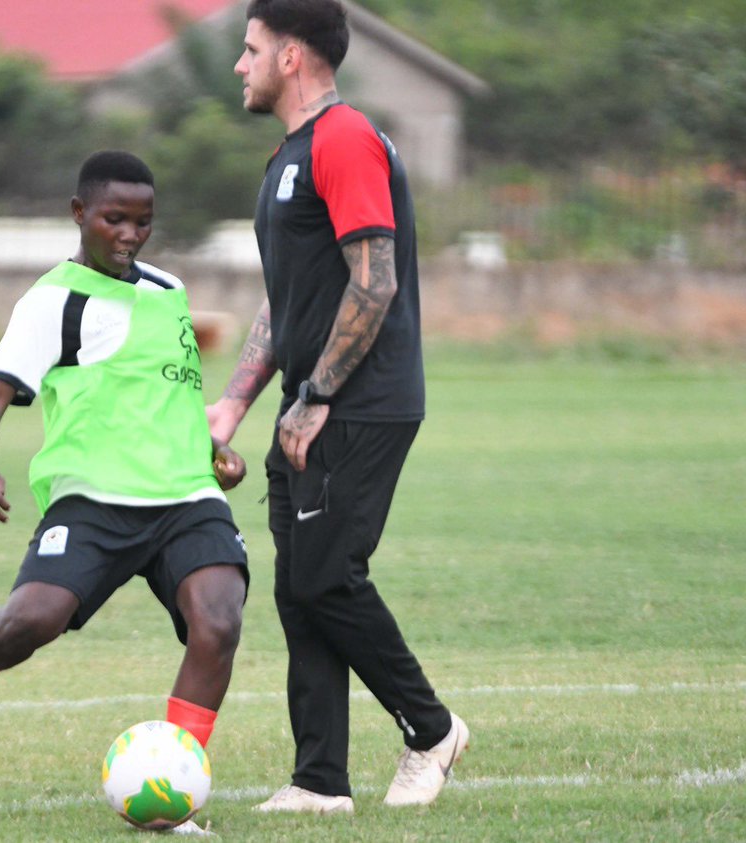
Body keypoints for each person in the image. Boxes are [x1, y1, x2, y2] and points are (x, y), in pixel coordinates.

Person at [0, 152, 249, 794]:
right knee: (31, 620)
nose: (129, 234)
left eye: (142, 221)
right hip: (93, 498)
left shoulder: (169, 292)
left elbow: (168, 395)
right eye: (115, 219)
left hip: (185, 497)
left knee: (219, 620)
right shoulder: (53, 303)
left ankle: (174, 783)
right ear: (79, 213)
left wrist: (210, 453)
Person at [204, 0, 469, 813]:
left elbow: (375, 279)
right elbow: (289, 302)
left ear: (292, 57)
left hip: (359, 403)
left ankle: (431, 728)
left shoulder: (346, 137)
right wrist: (237, 402)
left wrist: (318, 395)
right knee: (298, 587)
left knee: (324, 577)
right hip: (306, 403)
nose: (241, 66)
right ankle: (320, 781)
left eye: (251, 51)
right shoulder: (292, 154)